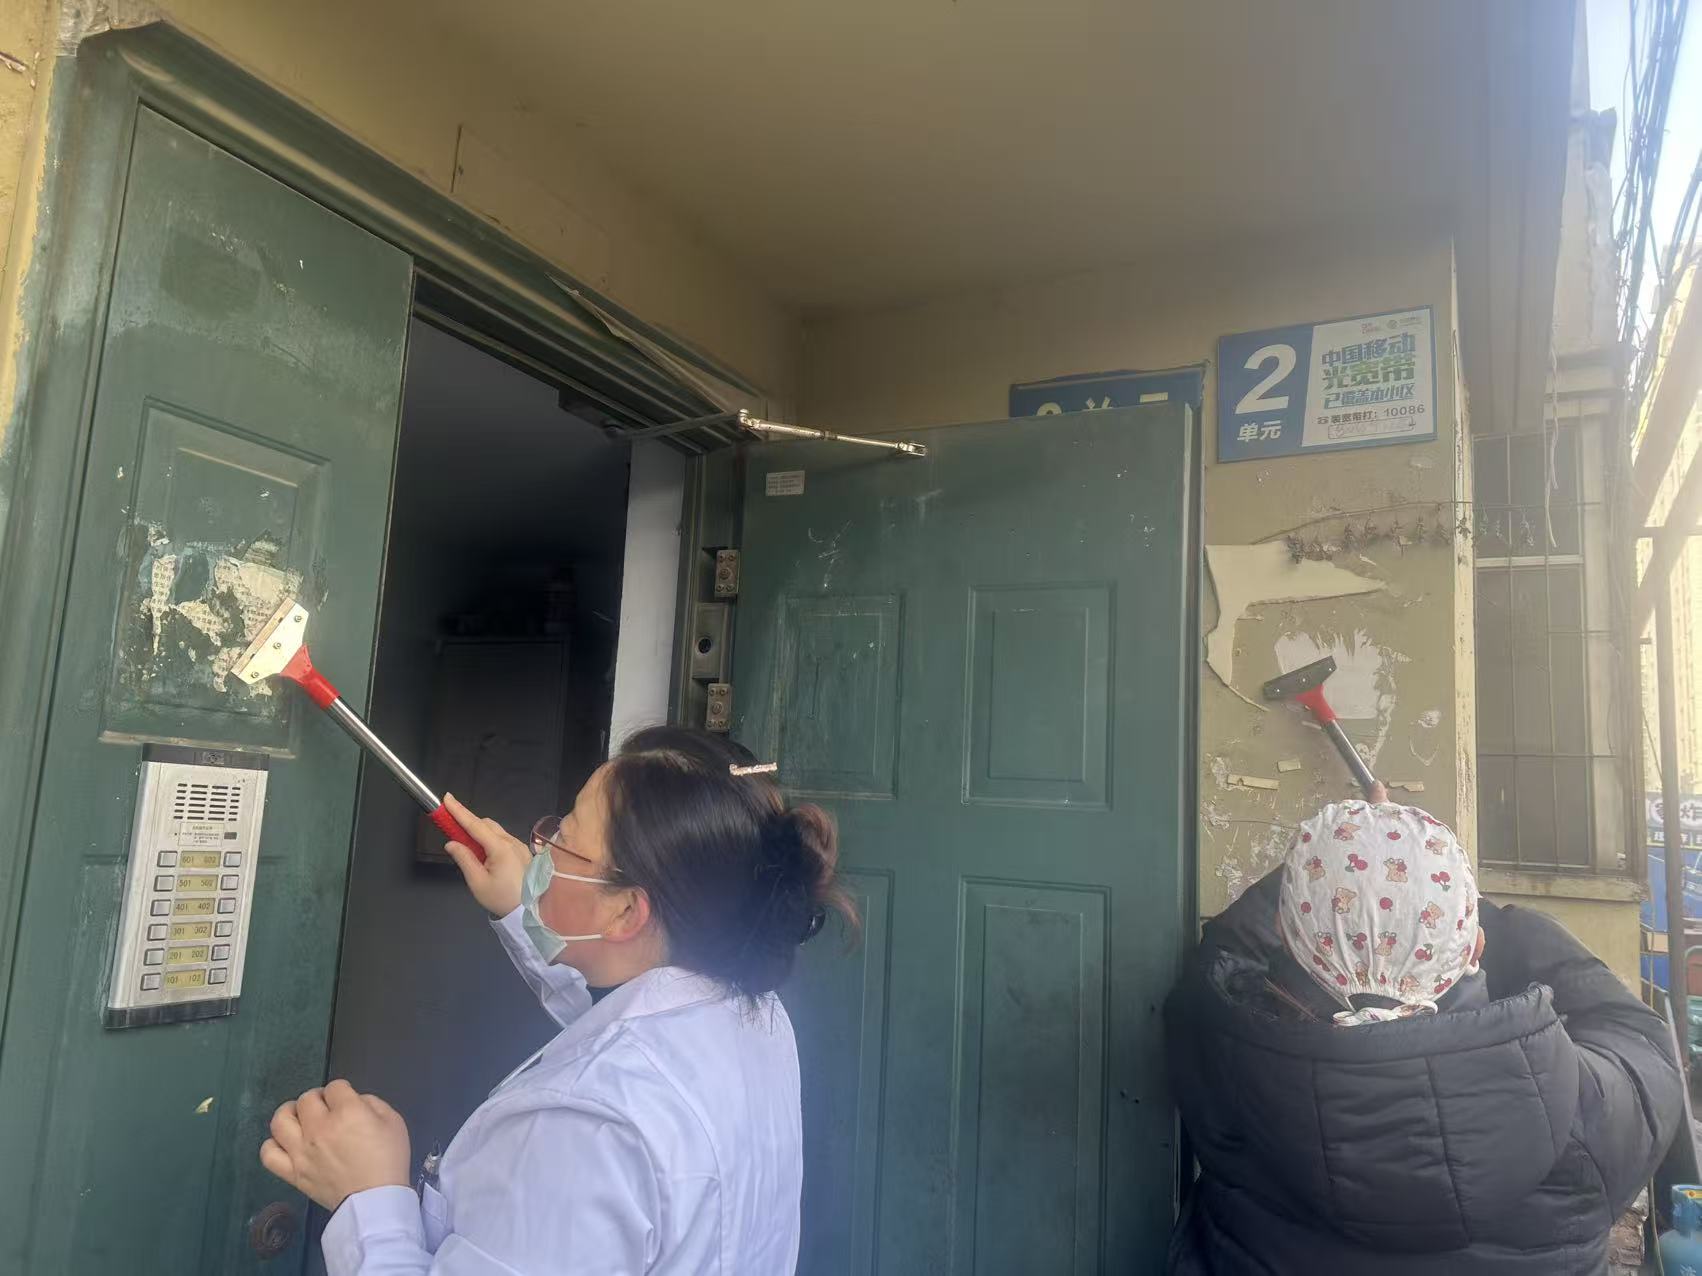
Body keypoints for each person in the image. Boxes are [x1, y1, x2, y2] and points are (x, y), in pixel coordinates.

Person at [258, 725, 854, 1275]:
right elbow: (618, 1034)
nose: (540, 847)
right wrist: (526, 909)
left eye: (563, 838)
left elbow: (610, 1076)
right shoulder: (752, 1017)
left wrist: (368, 1199)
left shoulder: (584, 1130)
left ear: (624, 911)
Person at [1165, 785, 1683, 1274]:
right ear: (1475, 945)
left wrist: (1338, 861)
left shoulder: (1226, 1060)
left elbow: (1222, 960)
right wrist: (1467, 903)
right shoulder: (1593, 1112)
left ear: (1283, 928)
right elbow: (1635, 1030)